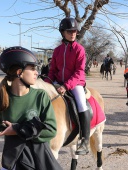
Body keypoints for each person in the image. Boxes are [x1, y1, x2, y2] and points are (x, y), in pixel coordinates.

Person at [0, 46, 62, 170]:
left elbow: (51, 130)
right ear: (19, 72)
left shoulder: (41, 97)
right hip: (13, 162)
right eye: (32, 68)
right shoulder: (0, 99)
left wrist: (17, 130)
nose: (37, 72)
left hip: (38, 161)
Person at [44, 17, 91, 155]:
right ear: (62, 32)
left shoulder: (80, 50)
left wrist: (66, 86)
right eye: (69, 31)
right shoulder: (57, 50)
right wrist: (46, 85)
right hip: (58, 81)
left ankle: (85, 140)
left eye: (75, 31)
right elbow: (52, 71)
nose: (73, 33)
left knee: (82, 104)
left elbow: (79, 72)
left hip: (75, 83)